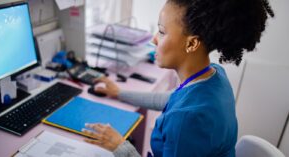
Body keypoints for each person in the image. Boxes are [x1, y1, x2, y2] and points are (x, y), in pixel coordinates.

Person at [82, 0, 274, 156]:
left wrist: (120, 147)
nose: (154, 39)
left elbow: (182, 110)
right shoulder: (214, 75)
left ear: (192, 44)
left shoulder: (187, 119)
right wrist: (119, 92)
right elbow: (172, 98)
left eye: (162, 32)